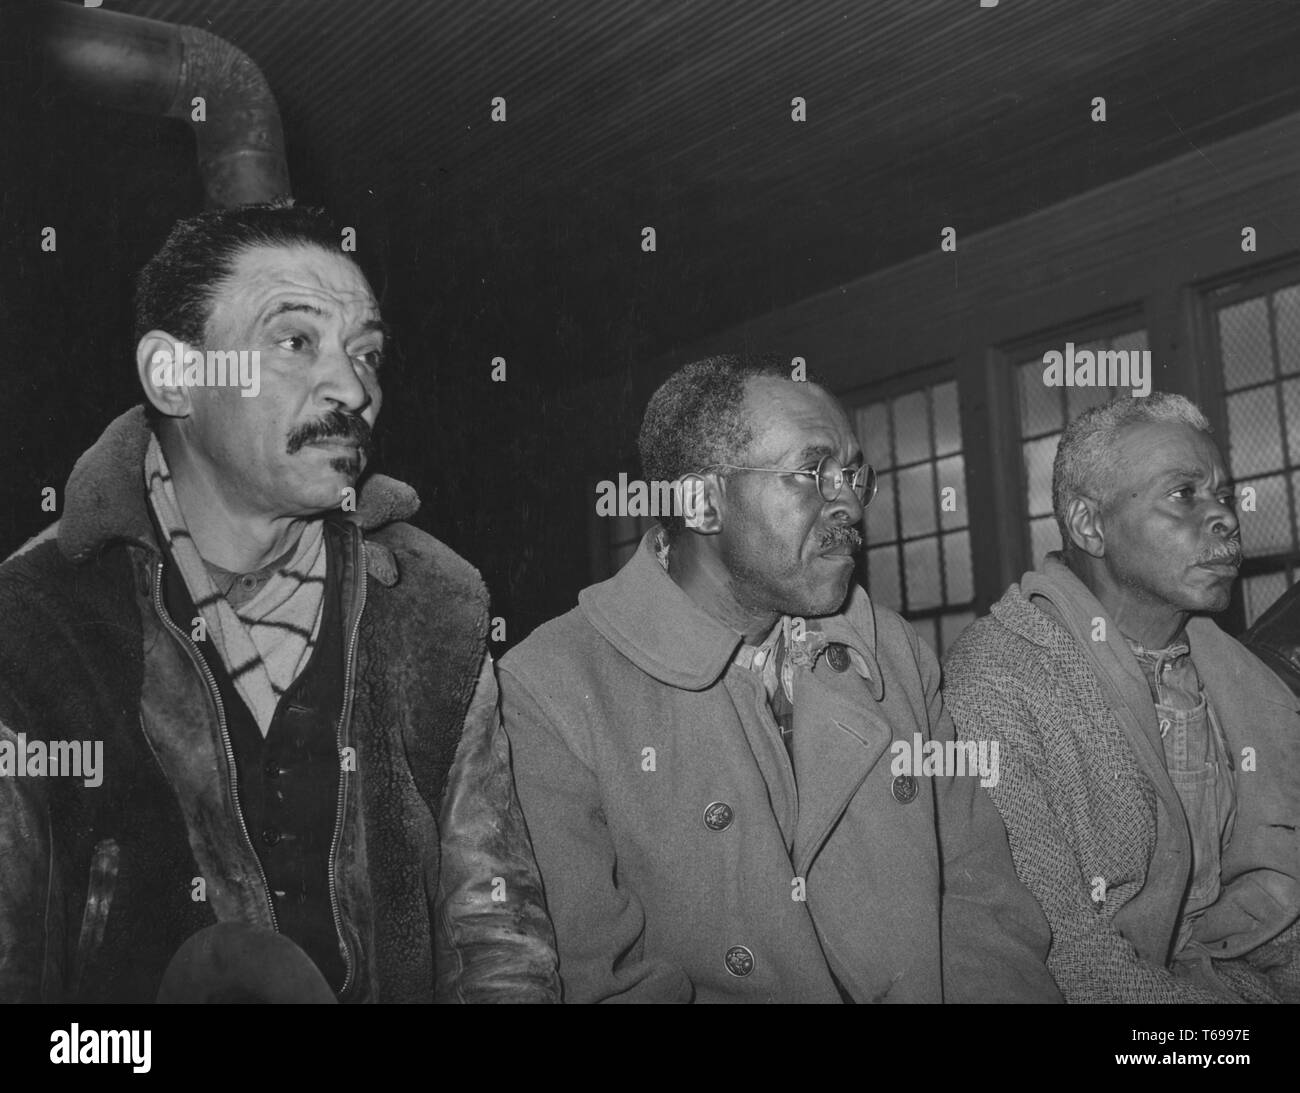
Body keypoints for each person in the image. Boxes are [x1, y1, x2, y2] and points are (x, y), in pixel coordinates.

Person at [0, 201, 558, 1003]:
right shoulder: (32, 620)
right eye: (296, 341)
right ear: (175, 375)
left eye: (366, 354)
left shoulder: (434, 605)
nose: (352, 387)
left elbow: (496, 930)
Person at [499, 355, 1060, 1002]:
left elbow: (980, 893)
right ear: (701, 502)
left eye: (851, 473)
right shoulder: (551, 688)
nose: (848, 500)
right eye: (810, 473)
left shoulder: (895, 652)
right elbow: (597, 980)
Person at [944, 392, 1300, 1002]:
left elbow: (1268, 918)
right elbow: (1070, 962)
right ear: (1089, 525)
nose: (1225, 517)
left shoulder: (1230, 672)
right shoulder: (999, 681)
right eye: (1183, 494)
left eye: (1220, 493)